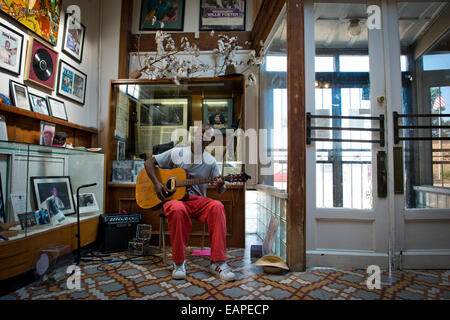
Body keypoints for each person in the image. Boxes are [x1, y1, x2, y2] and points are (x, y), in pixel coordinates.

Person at [144, 124, 235, 281]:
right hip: (175, 201)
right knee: (177, 208)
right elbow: (149, 163)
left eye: (206, 135)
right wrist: (157, 183)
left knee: (217, 206)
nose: (201, 136)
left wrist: (220, 186)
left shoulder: (211, 162)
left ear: (210, 140)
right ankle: (179, 263)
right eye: (200, 132)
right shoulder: (176, 152)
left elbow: (220, 189)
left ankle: (218, 263)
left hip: (198, 202)